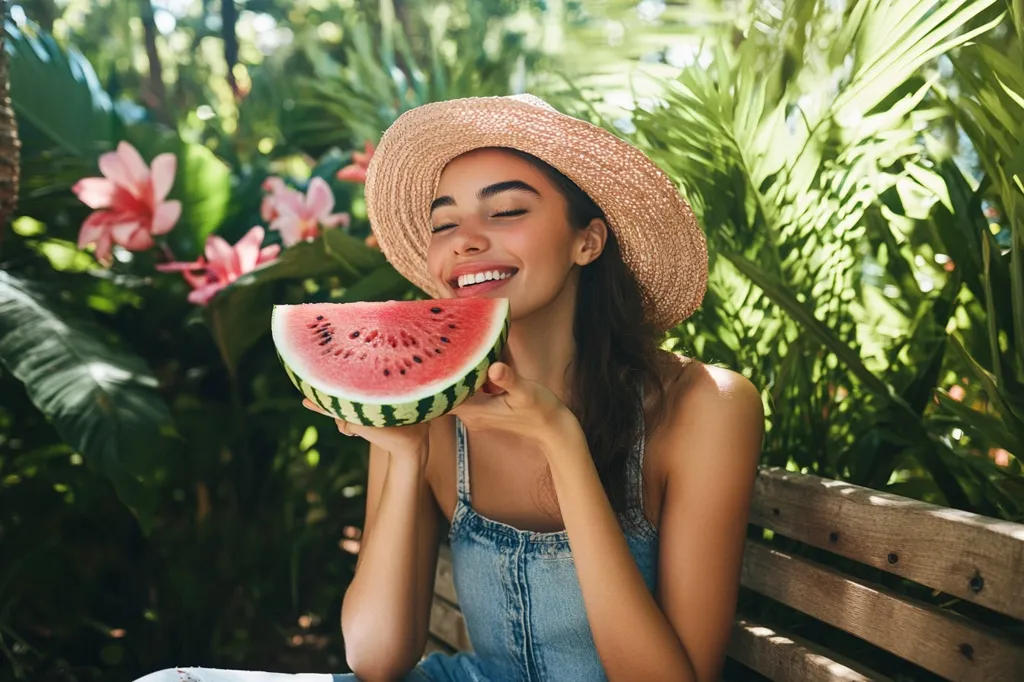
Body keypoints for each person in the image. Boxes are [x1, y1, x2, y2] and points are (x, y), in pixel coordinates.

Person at [137, 94, 764, 682]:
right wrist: (404, 458)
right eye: (444, 224)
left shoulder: (705, 406)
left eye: (509, 210)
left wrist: (562, 445)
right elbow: (377, 658)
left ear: (587, 240)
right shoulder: (425, 406)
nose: (465, 240)